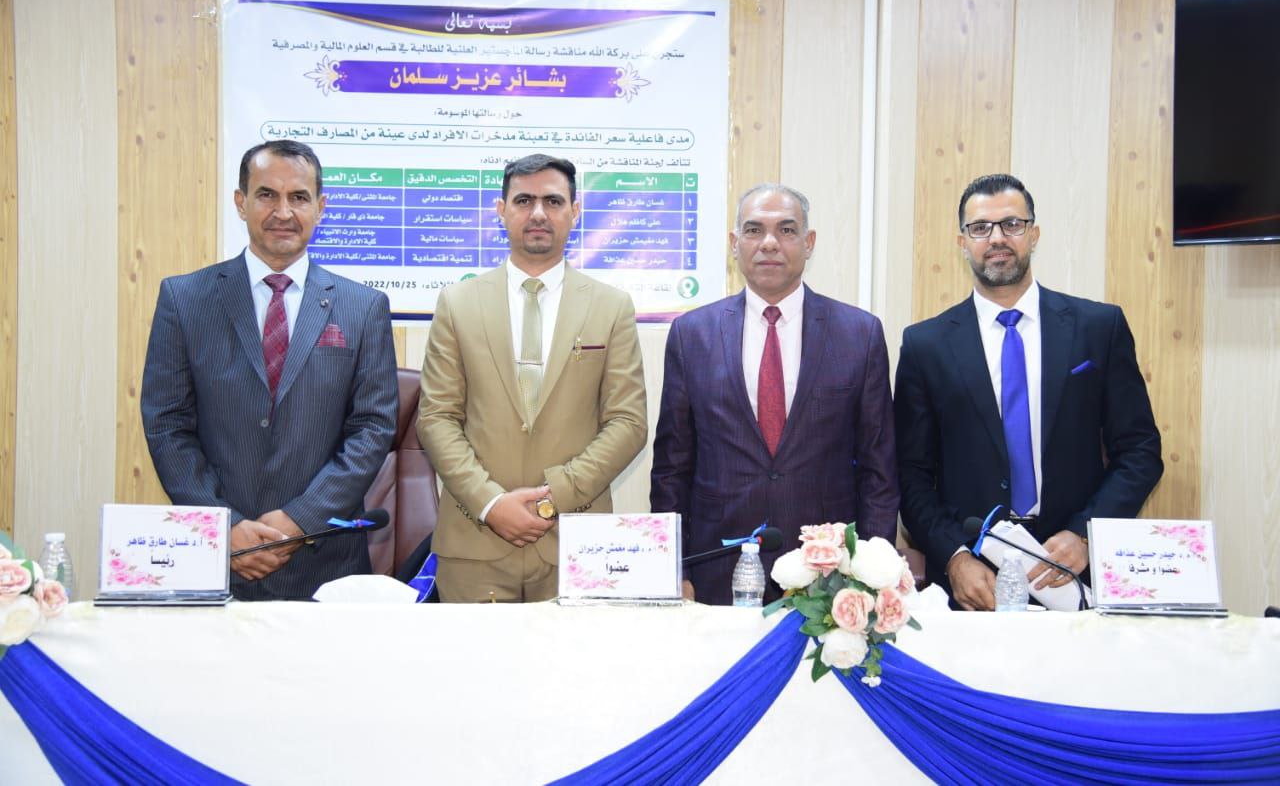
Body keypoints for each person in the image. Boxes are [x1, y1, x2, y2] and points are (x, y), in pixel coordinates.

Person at [141, 140, 398, 600]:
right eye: (266, 195)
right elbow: (167, 424)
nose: (283, 212)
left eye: (298, 197)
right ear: (241, 203)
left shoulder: (363, 307)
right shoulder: (185, 299)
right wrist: (227, 526)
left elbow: (372, 429)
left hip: (325, 564)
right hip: (216, 559)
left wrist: (298, 520)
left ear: (320, 208)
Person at [894, 173, 1163, 610]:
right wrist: (954, 556)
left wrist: (1085, 534)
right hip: (973, 577)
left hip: (1073, 568)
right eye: (980, 228)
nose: (997, 238)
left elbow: (1140, 450)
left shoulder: (1098, 328)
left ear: (1033, 235)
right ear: (962, 242)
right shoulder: (926, 345)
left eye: (1012, 224)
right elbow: (911, 474)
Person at [650, 183, 900, 605]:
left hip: (829, 577)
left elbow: (880, 472)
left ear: (809, 242)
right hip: (715, 568)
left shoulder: (860, 334)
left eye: (786, 230)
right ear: (734, 243)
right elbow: (671, 470)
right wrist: (675, 569)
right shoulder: (692, 335)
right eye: (754, 230)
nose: (769, 243)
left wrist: (869, 577)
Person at [418, 154, 647, 602]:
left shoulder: (611, 306)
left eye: (553, 201)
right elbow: (436, 419)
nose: (538, 213)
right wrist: (491, 503)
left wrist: (553, 497)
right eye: (524, 200)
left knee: (574, 654)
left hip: (578, 543)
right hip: (475, 542)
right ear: (501, 210)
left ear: (574, 212)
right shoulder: (457, 303)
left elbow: (628, 423)